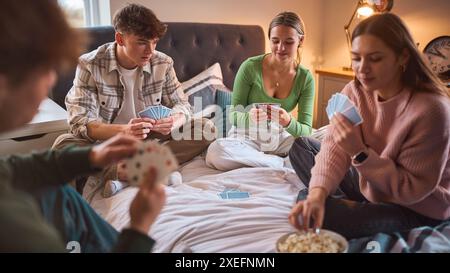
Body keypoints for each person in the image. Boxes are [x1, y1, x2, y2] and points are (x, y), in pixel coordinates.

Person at [0, 0, 165, 252]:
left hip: (136, 142)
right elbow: (79, 123)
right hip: (102, 137)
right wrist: (140, 228)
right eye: (48, 68)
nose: (53, 80)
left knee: (58, 193)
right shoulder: (18, 229)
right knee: (61, 150)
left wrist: (93, 157)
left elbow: (11, 169)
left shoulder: (163, 64)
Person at [288, 13, 450, 239]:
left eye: (375, 58)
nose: (362, 69)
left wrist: (359, 153)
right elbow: (333, 149)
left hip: (417, 206)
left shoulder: (432, 110)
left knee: (320, 214)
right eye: (356, 58)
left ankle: (344, 205)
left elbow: (411, 190)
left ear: (403, 57)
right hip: (373, 183)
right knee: (302, 147)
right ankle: (339, 201)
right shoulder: (354, 92)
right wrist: (317, 194)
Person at [55, 3, 215, 197]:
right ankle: (128, 169)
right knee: (63, 145)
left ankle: (131, 170)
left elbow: (183, 105)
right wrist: (125, 130)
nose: (150, 50)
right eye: (142, 42)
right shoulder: (90, 65)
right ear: (120, 38)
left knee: (207, 128)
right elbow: (81, 123)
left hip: (150, 138)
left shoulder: (162, 63)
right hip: (107, 140)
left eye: (154, 42)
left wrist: (174, 120)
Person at [205, 11, 315, 171]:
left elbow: (306, 130)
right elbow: (233, 115)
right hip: (247, 137)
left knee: (329, 137)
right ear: (270, 39)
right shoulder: (249, 67)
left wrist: (288, 122)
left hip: (280, 137)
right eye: (275, 41)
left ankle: (264, 161)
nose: (281, 48)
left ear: (301, 40)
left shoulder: (305, 78)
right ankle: (279, 163)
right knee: (216, 152)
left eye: (289, 42)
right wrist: (249, 117)